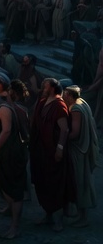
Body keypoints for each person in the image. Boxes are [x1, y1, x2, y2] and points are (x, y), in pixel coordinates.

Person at [0, 72, 27, 239]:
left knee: (13, 189)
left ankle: (14, 228)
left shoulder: (4, 107)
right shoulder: (0, 102)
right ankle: (9, 210)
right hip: (3, 152)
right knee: (2, 182)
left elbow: (6, 131)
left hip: (10, 154)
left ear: (0, 85)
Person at [31, 78, 74, 230]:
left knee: (56, 185)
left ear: (53, 88)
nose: (43, 87)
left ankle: (58, 220)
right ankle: (48, 215)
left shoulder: (59, 106)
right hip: (42, 151)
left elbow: (64, 129)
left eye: (46, 86)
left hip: (53, 152)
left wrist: (60, 148)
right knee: (43, 183)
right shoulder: (43, 102)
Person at [65, 85, 98, 227]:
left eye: (65, 94)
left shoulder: (76, 108)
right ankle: (79, 214)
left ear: (71, 96)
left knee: (80, 182)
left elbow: (75, 132)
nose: (63, 96)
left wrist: (60, 139)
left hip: (78, 150)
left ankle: (82, 217)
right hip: (83, 148)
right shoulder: (82, 102)